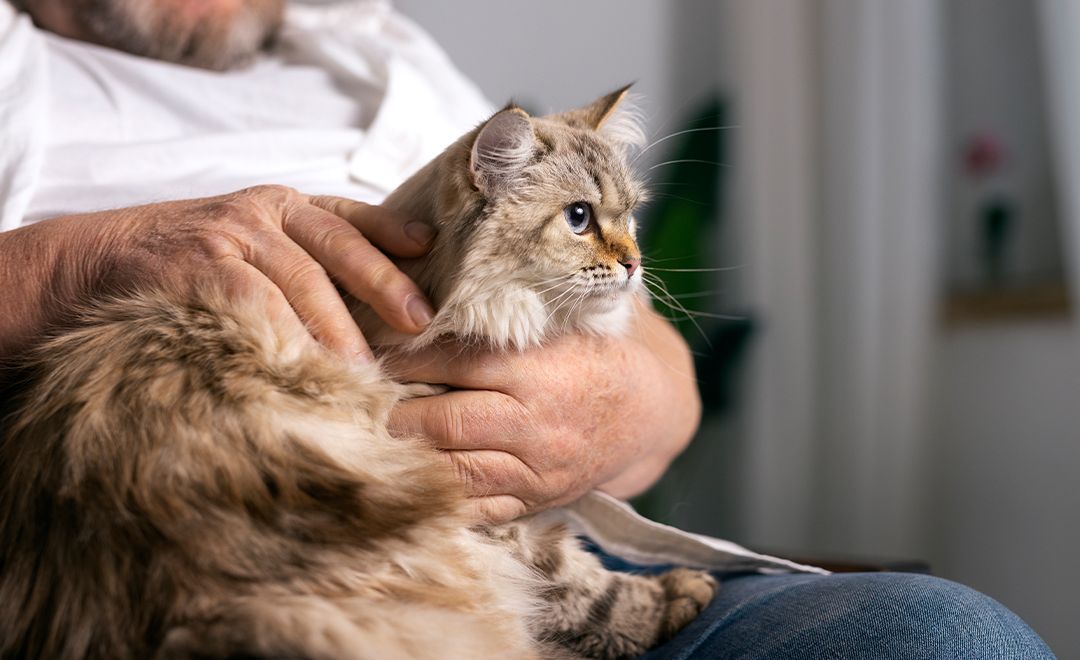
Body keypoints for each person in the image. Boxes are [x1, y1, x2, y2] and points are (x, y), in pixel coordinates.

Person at [0, 1, 1055, 658]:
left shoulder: (376, 46)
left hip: (565, 554)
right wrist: (65, 265)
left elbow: (658, 375)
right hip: (193, 546)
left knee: (944, 635)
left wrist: (631, 396)